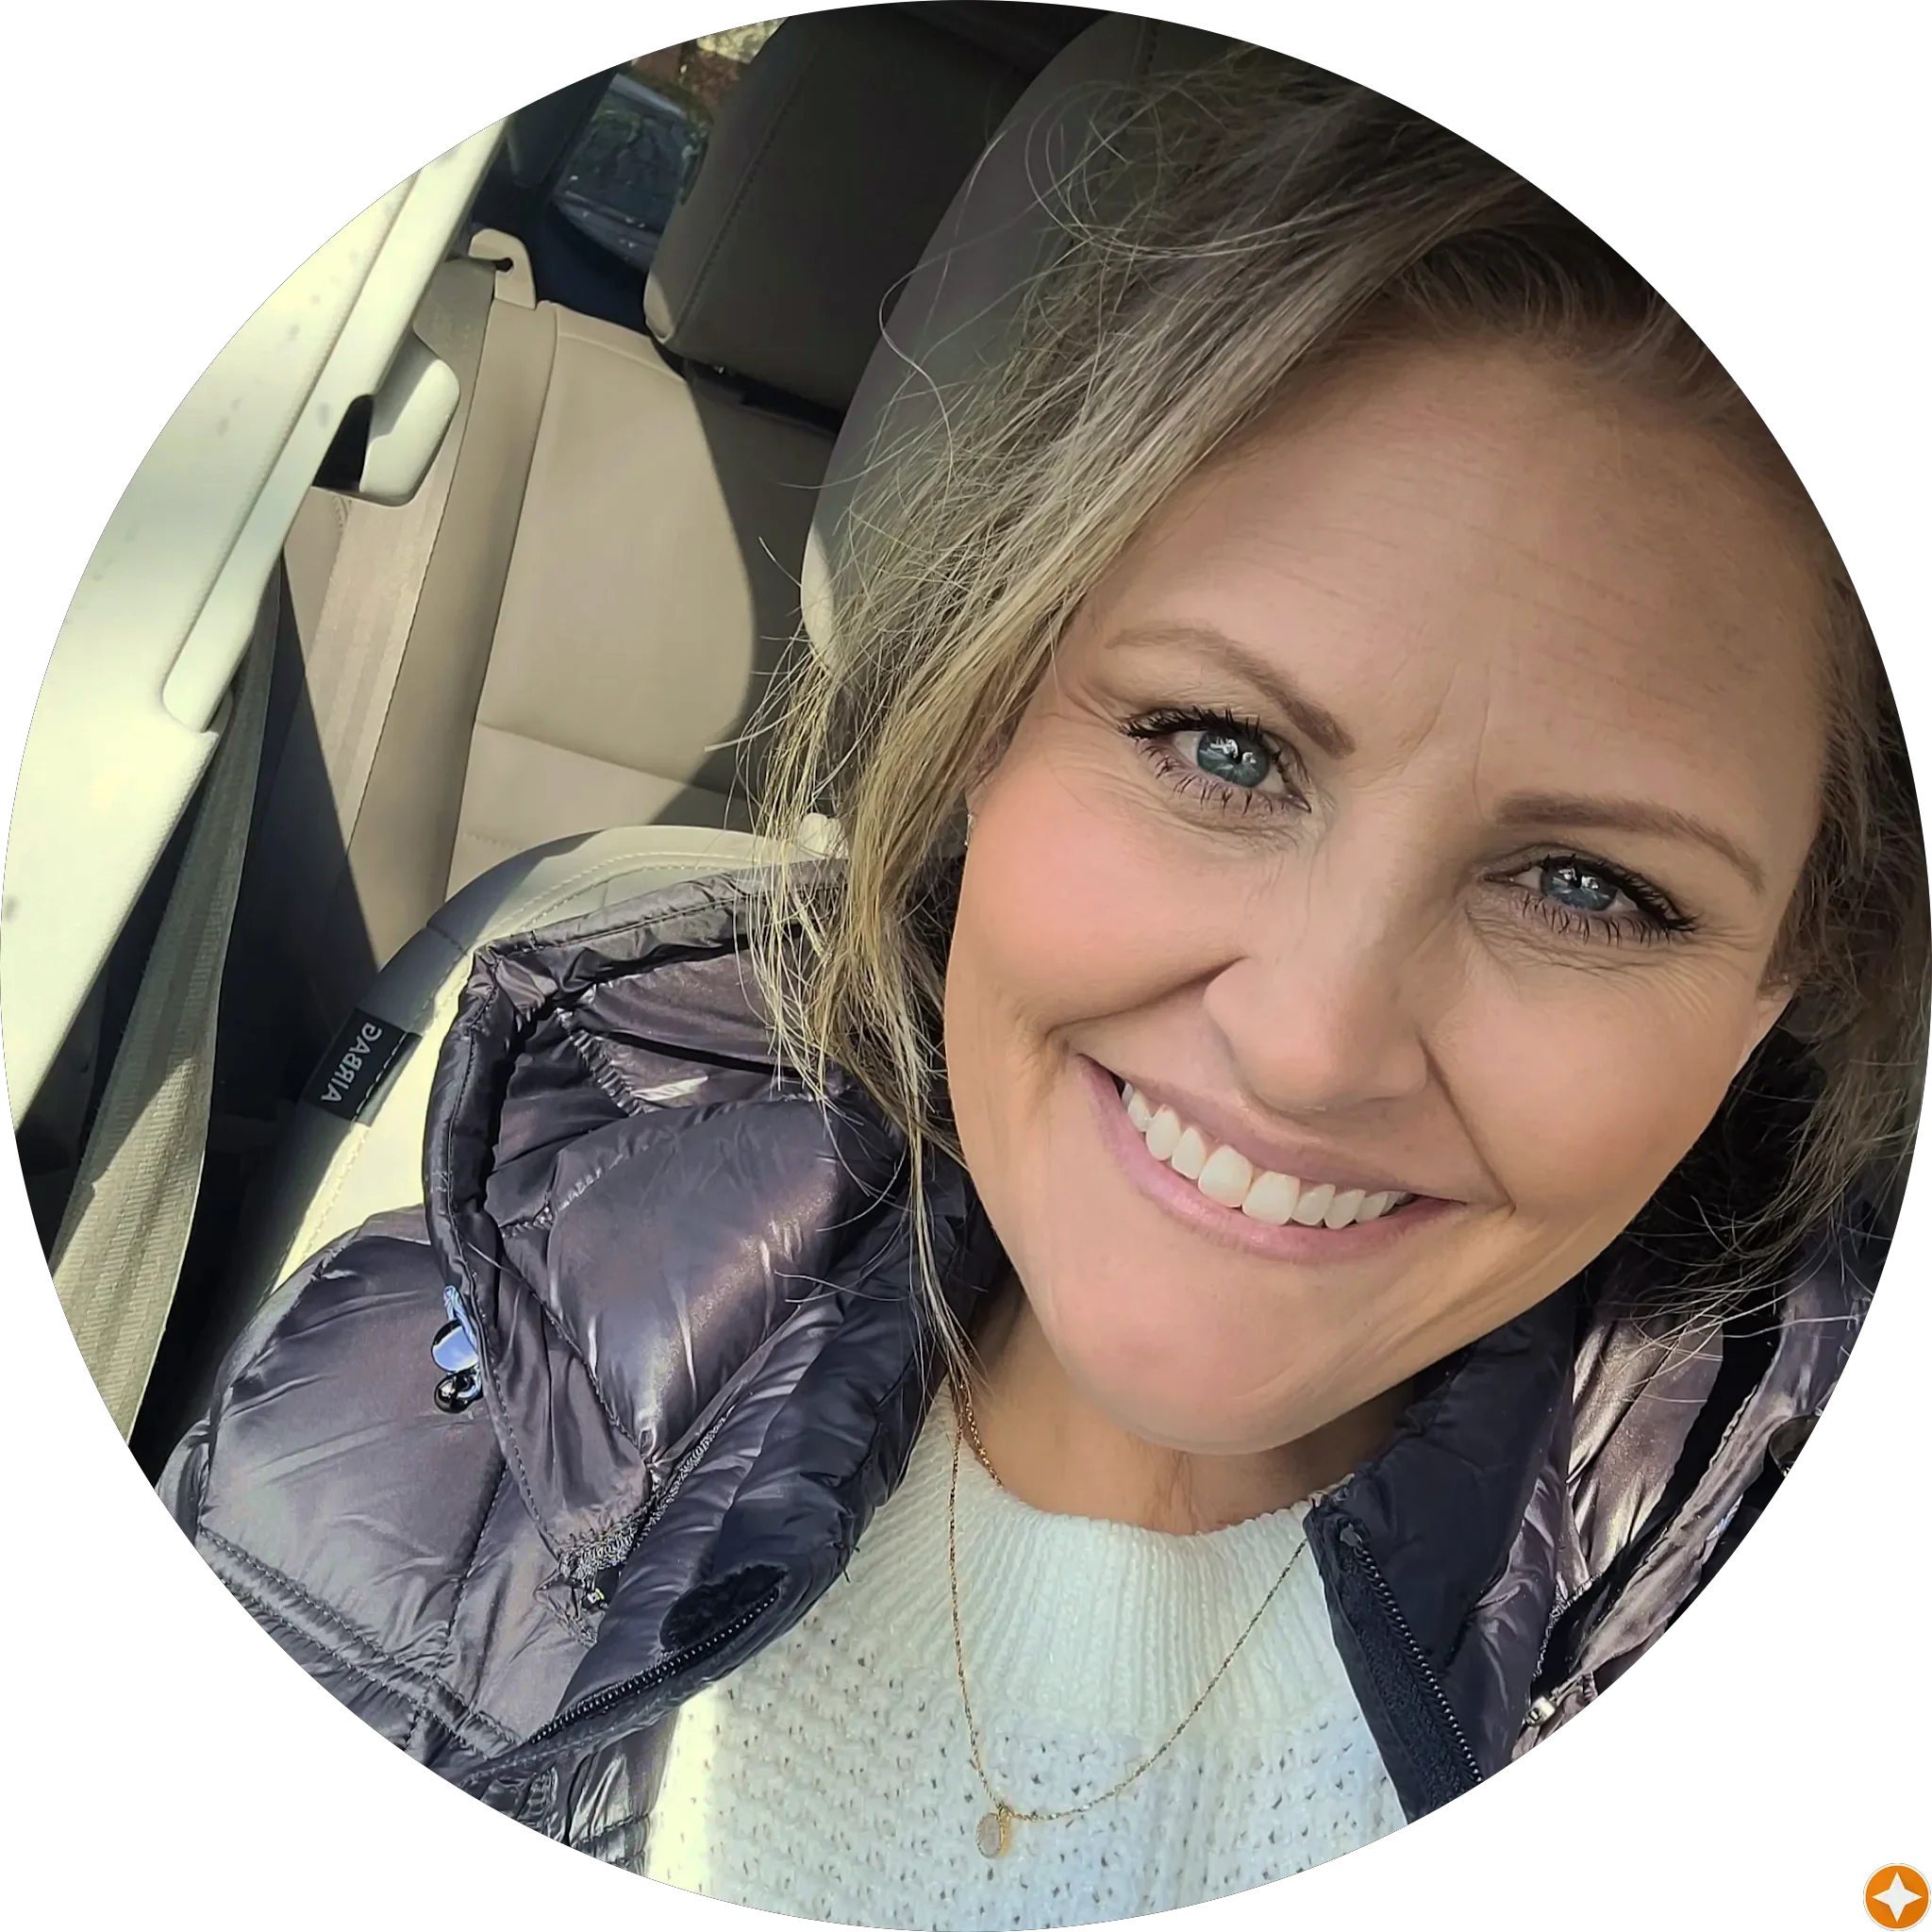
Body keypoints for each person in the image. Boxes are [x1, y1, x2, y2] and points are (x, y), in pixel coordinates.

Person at [154, 25, 1927, 1930]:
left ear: (1784, 985)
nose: (1309, 1043)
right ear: (984, 724)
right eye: (1222, 750)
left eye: (1588, 887)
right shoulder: (407, 1424)